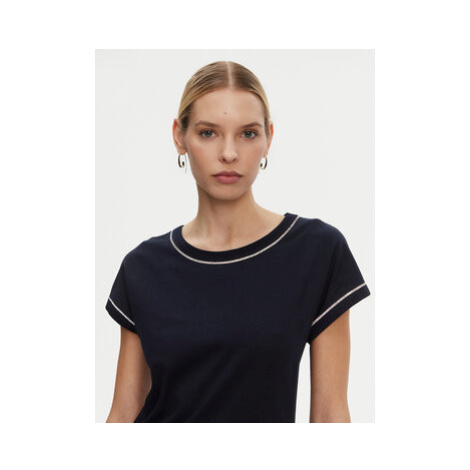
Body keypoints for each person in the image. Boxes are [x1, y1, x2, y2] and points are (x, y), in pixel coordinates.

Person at [104, 60, 371, 423]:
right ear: (179, 136)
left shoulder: (317, 252)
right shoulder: (143, 268)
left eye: (247, 133)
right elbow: (123, 414)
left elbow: (331, 414)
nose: (229, 153)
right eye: (208, 132)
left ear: (268, 138)